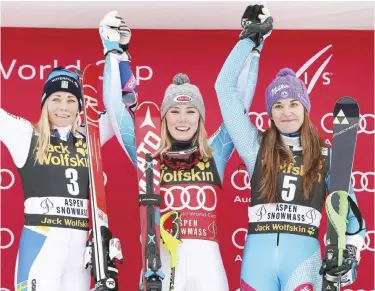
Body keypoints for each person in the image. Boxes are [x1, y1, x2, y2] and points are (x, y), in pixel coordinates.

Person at [98, 9, 266, 291]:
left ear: (200, 118)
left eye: (190, 111)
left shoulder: (215, 151)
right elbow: (116, 109)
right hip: (159, 266)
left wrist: (253, 45)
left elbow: (240, 102)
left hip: (208, 269)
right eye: (174, 111)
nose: (183, 119)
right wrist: (114, 51)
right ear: (164, 118)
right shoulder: (147, 151)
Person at [215, 5, 366, 291]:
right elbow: (223, 88)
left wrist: (350, 251)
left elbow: (351, 214)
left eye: (294, 104)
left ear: (305, 109)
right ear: (270, 114)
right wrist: (248, 40)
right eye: (278, 106)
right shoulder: (254, 146)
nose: (286, 112)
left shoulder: (326, 156)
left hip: (303, 260)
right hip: (257, 263)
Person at [0, 65, 128, 290]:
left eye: (71, 100)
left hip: (79, 251)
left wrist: (117, 55)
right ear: (44, 102)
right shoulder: (25, 135)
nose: (63, 107)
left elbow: (123, 107)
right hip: (42, 242)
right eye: (56, 98)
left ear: (79, 105)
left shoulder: (90, 137)